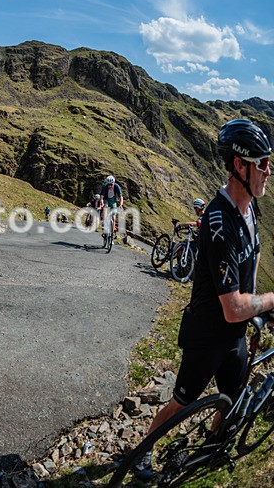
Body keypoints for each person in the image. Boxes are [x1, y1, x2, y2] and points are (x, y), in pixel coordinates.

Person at [132, 119, 274, 480]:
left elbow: (253, 259)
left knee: (232, 397)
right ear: (240, 166)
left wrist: (258, 306)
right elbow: (232, 308)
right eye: (262, 164)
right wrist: (269, 301)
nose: (268, 172)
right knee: (182, 401)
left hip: (235, 337)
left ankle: (211, 448)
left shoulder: (249, 210)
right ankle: (142, 454)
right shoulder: (218, 221)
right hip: (208, 334)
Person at [99, 175, 123, 241]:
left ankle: (112, 235)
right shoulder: (105, 186)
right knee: (105, 208)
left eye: (111, 185)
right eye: (109, 185)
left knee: (113, 218)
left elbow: (121, 197)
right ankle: (104, 225)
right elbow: (101, 197)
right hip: (106, 200)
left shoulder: (116, 186)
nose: (110, 186)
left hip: (113, 202)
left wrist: (120, 204)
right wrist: (102, 203)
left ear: (113, 183)